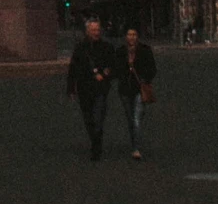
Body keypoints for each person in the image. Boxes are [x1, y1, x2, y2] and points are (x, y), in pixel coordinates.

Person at [66, 16, 116, 161]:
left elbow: (113, 65)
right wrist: (71, 88)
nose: (96, 32)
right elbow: (73, 69)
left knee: (98, 118)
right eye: (93, 30)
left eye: (97, 29)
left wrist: (106, 74)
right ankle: (95, 141)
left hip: (100, 88)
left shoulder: (106, 47)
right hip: (84, 88)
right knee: (88, 119)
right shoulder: (80, 48)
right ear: (87, 31)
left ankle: (96, 145)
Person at [113, 26, 157, 157]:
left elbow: (152, 68)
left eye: (134, 34)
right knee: (130, 118)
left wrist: (145, 78)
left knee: (137, 118)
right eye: (129, 34)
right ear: (125, 37)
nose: (131, 37)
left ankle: (136, 148)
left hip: (139, 87)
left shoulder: (145, 50)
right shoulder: (120, 51)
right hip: (125, 89)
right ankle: (134, 142)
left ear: (137, 36)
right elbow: (116, 68)